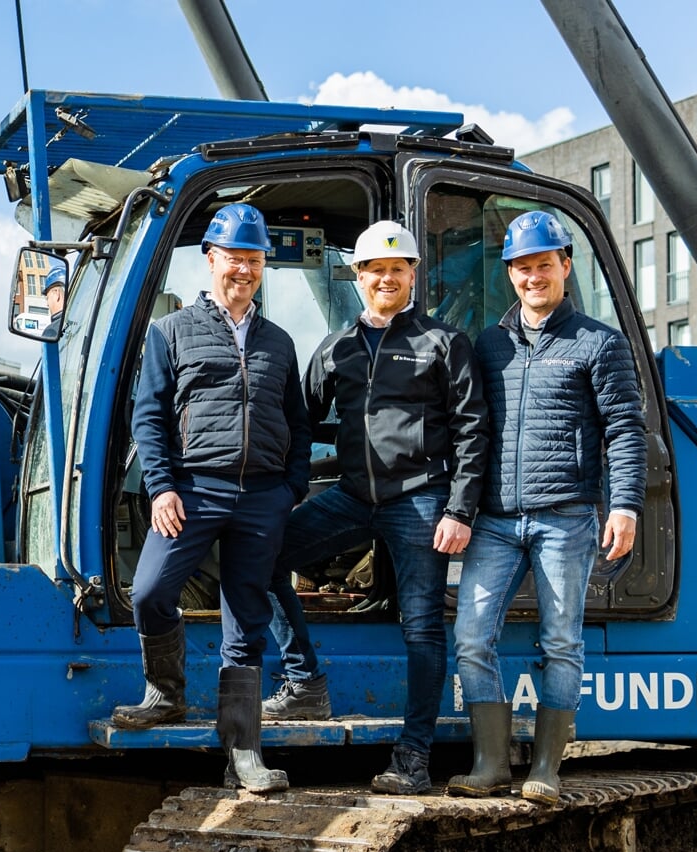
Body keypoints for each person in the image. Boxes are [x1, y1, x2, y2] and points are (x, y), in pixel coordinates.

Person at [263, 220, 489, 796]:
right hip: (352, 496)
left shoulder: (443, 343)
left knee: (421, 629)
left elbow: (472, 429)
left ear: (412, 275)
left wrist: (459, 511)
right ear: (358, 277)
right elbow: (301, 421)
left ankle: (413, 758)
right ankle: (305, 680)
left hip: (421, 500)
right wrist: (277, 488)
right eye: (374, 270)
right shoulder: (336, 348)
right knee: (261, 556)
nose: (386, 279)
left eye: (397, 269)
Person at [448, 210, 646, 805]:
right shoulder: (490, 345)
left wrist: (626, 505)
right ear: (509, 273)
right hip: (496, 518)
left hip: (566, 517)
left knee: (561, 642)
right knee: (471, 636)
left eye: (544, 265)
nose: (533, 277)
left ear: (564, 266)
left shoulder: (598, 342)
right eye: (522, 267)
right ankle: (490, 765)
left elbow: (626, 429)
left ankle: (546, 770)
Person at [113, 202, 309, 794]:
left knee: (245, 622)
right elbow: (148, 417)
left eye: (254, 260)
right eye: (234, 259)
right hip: (193, 490)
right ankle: (166, 694)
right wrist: (163, 486)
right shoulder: (170, 332)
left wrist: (290, 489)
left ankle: (244, 754)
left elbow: (296, 421)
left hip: (261, 498)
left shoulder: (279, 342)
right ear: (210, 260)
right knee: (149, 591)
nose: (243, 271)